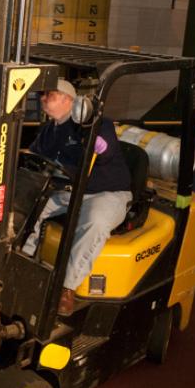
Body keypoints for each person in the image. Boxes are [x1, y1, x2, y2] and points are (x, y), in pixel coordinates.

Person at [21, 79, 132, 316]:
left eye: (48, 95)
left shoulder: (94, 123)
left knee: (95, 222)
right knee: (28, 204)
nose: (42, 99)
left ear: (67, 99)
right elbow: (34, 155)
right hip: (68, 189)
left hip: (104, 192)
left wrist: (97, 144)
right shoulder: (50, 130)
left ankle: (66, 287)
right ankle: (20, 262)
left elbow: (107, 148)